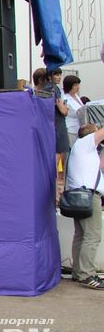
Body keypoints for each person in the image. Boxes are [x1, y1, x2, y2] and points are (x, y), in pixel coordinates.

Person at [64, 123, 104, 290]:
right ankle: (88, 274)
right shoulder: (85, 142)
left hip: (79, 196)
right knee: (92, 235)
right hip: (87, 196)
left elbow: (100, 165)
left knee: (81, 235)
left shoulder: (82, 150)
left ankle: (79, 272)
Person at [63, 75, 83, 146]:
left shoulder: (76, 96)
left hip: (79, 128)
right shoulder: (65, 98)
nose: (78, 87)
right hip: (70, 129)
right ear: (69, 86)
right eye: (75, 85)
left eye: (78, 84)